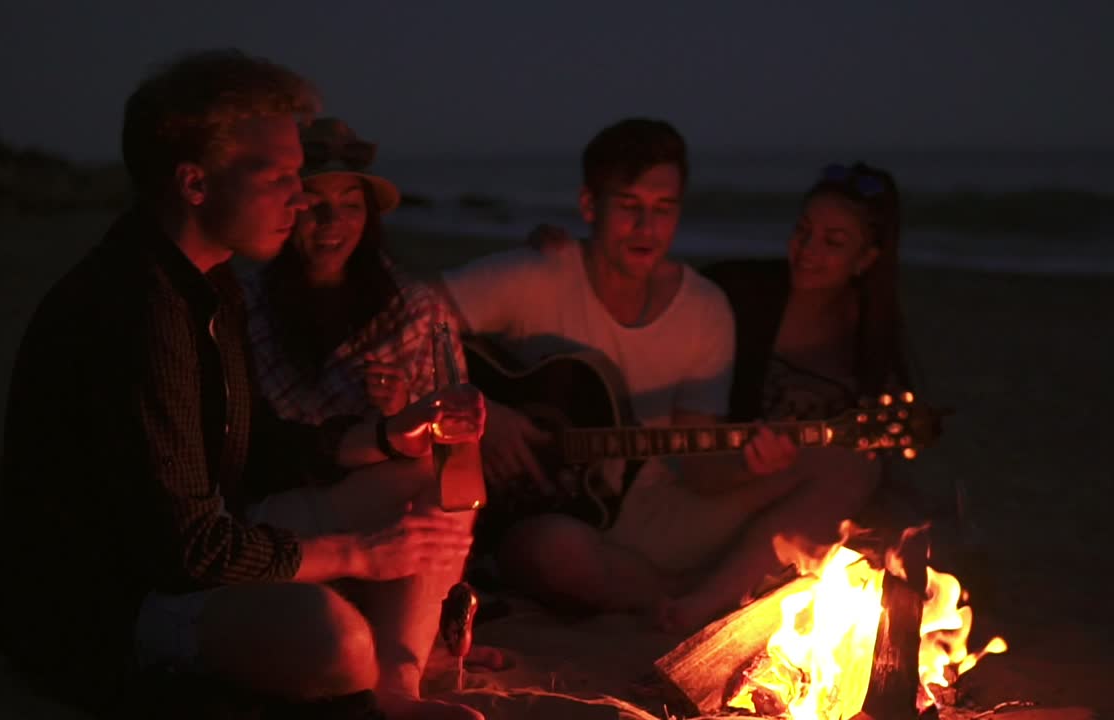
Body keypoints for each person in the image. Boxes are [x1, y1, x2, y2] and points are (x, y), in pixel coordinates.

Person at [0, 50, 484, 720]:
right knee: (335, 645)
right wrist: (360, 556)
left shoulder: (214, 282)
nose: (300, 197)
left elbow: (257, 447)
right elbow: (190, 549)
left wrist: (388, 436)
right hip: (112, 598)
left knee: (423, 474)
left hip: (203, 542)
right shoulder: (140, 309)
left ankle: (398, 688)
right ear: (195, 183)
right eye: (278, 177)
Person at [439, 118, 797, 618]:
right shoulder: (537, 273)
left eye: (663, 208)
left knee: (845, 465)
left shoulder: (705, 308)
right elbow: (407, 320)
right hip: (536, 519)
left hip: (646, 508)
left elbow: (699, 467)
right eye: (629, 206)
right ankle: (690, 600)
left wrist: (747, 462)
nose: (647, 228)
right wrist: (480, 411)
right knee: (552, 552)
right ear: (590, 205)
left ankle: (692, 592)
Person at [239, 115, 505, 684]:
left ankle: (405, 665)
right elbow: (252, 449)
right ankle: (404, 657)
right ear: (288, 207)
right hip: (278, 516)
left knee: (444, 478)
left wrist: (406, 414)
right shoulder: (247, 306)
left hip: (375, 511)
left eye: (351, 205)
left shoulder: (413, 310)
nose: (332, 223)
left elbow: (454, 452)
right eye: (314, 203)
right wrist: (374, 436)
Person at [663, 162, 915, 631]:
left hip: (791, 508)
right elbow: (653, 287)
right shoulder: (738, 292)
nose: (807, 250)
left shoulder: (870, 333)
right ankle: (704, 604)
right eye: (803, 231)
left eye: (832, 242)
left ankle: (723, 591)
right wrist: (567, 254)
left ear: (866, 259)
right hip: (711, 479)